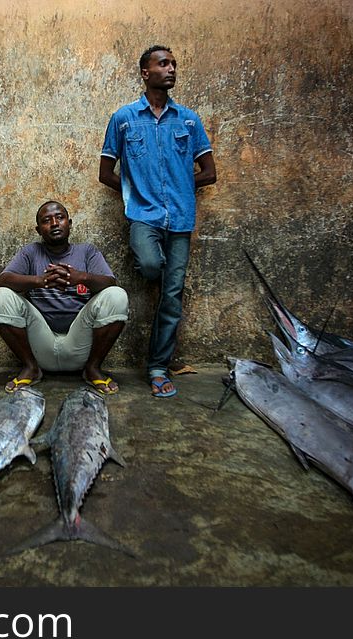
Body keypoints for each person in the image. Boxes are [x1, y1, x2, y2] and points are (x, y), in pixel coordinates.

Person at [99, 44, 216, 398]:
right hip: (143, 216)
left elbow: (209, 172)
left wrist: (182, 184)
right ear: (145, 73)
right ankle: (160, 272)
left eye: (174, 64)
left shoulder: (189, 120)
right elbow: (106, 172)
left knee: (172, 297)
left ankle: (159, 367)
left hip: (180, 219)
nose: (171, 69)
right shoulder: (124, 118)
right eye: (163, 64)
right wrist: (135, 192)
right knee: (151, 265)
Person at [0, 201, 129, 394]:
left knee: (117, 295)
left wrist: (81, 277)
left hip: (79, 345)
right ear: (39, 230)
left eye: (60, 217)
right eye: (46, 220)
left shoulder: (86, 251)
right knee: (0, 296)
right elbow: (3, 280)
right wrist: (40, 281)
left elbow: (110, 283)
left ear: (69, 223)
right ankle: (31, 368)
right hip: (41, 346)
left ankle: (92, 369)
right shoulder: (31, 252)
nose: (54, 223)